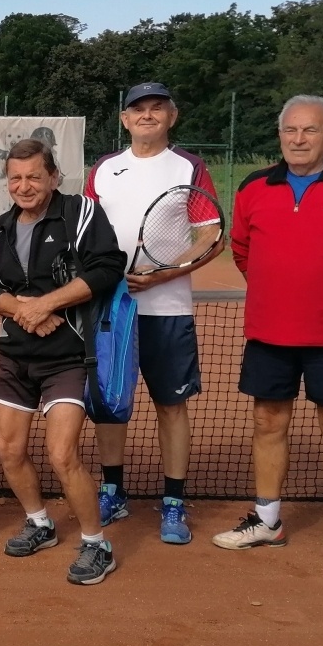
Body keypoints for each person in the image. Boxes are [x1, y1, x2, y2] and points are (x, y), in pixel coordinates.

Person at [215, 96, 323, 580]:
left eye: (310, 131)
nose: (298, 139)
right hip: (270, 331)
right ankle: (267, 520)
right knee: (268, 423)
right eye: (290, 130)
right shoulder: (253, 187)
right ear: (280, 134)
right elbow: (243, 251)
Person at [0, 138, 126, 583]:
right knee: (8, 449)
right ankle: (39, 521)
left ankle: (97, 544)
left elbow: (107, 267)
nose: (24, 186)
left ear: (54, 177)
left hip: (68, 358)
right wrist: (25, 310)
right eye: (16, 178)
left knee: (63, 455)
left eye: (34, 177)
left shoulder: (80, 213)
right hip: (15, 356)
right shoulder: (1, 227)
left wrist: (49, 305)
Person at [83, 82, 222, 545]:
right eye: (137, 109)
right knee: (109, 403)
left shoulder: (189, 167)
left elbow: (208, 235)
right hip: (110, 307)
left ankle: (173, 502)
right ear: (124, 119)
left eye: (156, 108)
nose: (146, 115)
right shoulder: (104, 169)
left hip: (168, 308)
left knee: (171, 405)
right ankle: (112, 491)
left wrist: (165, 272)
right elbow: (86, 231)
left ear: (172, 116)